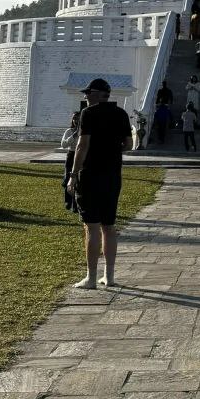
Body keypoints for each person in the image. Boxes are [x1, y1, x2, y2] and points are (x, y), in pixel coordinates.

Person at [66, 79, 133, 290]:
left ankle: (91, 278)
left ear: (97, 94)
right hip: (113, 176)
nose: (85, 97)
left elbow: (82, 145)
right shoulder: (121, 113)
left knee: (91, 227)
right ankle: (109, 276)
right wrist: (110, 151)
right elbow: (129, 145)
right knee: (109, 227)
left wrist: (73, 174)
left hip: (90, 175)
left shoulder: (89, 114)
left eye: (88, 93)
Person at [61, 111, 81, 210]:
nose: (76, 121)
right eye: (74, 118)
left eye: (78, 118)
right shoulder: (69, 131)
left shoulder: (85, 132)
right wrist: (74, 135)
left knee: (79, 179)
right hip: (71, 155)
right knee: (68, 177)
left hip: (81, 156)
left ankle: (76, 203)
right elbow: (64, 144)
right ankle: (68, 201)